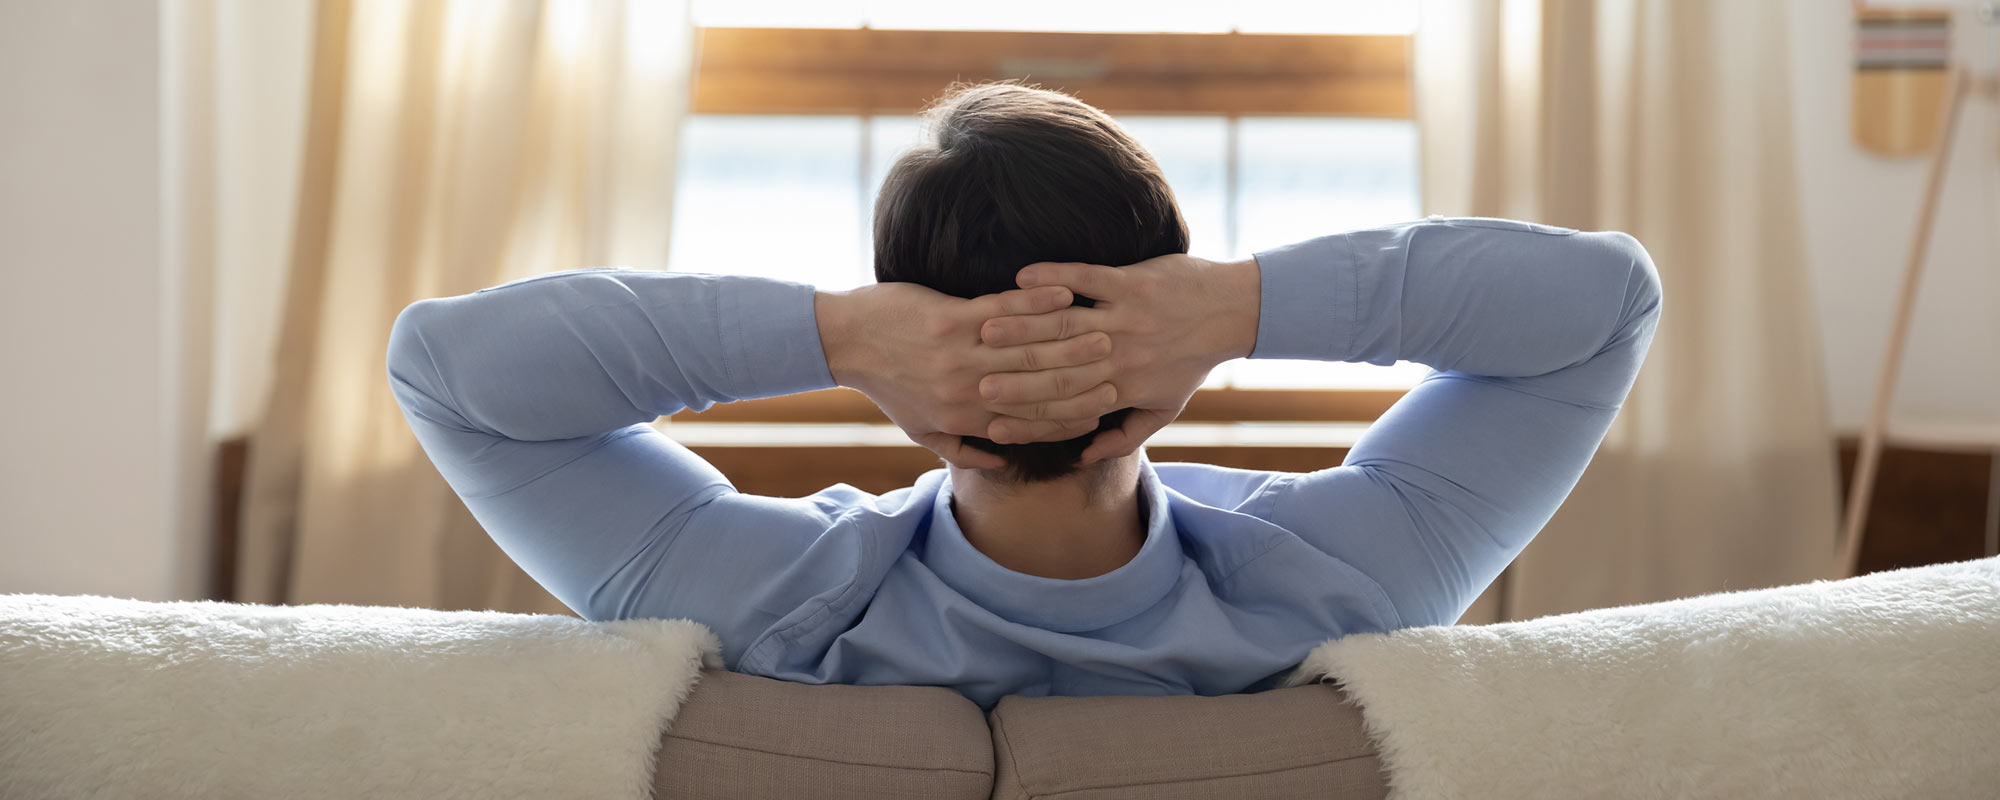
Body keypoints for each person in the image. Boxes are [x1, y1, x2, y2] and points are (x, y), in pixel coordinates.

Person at [386, 84, 1662, 709]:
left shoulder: (777, 607)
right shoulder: (1340, 584)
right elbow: (1601, 305)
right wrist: (1233, 309)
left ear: (906, 359)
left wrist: (836, 332)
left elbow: (448, 371)